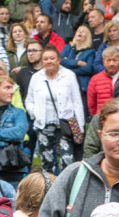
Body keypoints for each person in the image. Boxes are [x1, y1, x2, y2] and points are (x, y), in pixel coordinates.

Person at [25, 44, 85, 174]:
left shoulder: (69, 75)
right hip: (44, 125)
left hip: (66, 124)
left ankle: (67, 190)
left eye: (52, 58)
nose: (49, 61)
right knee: (47, 162)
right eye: (45, 59)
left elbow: (77, 102)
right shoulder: (36, 78)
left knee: (67, 160)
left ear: (58, 59)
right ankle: (50, 190)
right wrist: (35, 113)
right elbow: (29, 100)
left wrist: (80, 127)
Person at [86, 47, 119, 117]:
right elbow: (91, 105)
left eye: (114, 60)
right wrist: (97, 118)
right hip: (104, 119)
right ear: (103, 62)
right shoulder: (95, 80)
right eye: (108, 60)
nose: (111, 64)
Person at [60, 25, 96, 96]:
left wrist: (68, 67)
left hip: (82, 87)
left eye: (83, 31)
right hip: (65, 84)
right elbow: (61, 61)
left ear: (87, 36)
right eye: (78, 31)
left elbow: (88, 69)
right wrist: (78, 63)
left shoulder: (91, 51)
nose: (80, 32)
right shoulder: (68, 47)